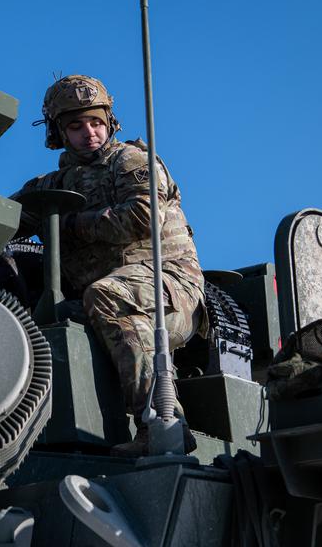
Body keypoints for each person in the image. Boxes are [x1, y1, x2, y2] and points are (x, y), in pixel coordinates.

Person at [15, 75, 207, 456]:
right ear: (59, 133)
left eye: (96, 122)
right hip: (110, 299)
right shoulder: (49, 185)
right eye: (76, 126)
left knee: (105, 296)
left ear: (110, 122)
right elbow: (3, 220)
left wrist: (67, 224)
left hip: (170, 289)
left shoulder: (131, 161)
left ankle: (163, 424)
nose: (89, 132)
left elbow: (142, 217)